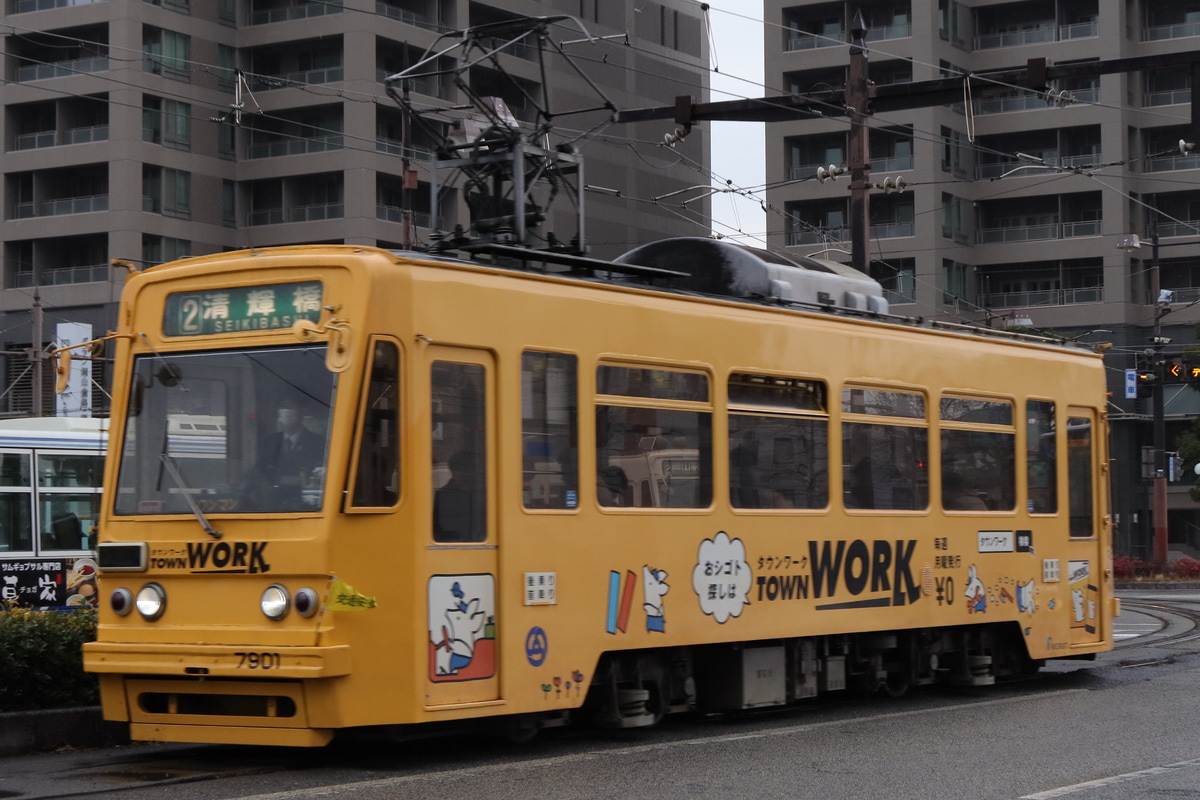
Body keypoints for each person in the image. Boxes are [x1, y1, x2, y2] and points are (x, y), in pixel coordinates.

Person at [254, 399, 326, 508]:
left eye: (290, 407)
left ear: (301, 412)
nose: (285, 412)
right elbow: (259, 468)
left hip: (307, 501)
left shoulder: (317, 441)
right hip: (273, 502)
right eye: (283, 407)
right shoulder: (270, 441)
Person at [434, 450, 485, 541]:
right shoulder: (442, 495)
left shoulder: (483, 494)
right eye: (461, 470)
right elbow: (437, 528)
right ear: (452, 470)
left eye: (470, 470)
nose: (466, 475)